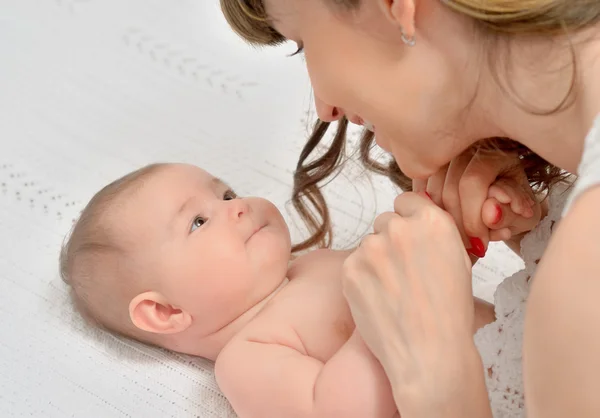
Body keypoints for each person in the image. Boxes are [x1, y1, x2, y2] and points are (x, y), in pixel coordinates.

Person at [220, 0, 600, 417]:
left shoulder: (582, 273)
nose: (325, 108)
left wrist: (439, 380)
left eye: (303, 43)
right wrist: (540, 232)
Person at [60, 162, 537, 417]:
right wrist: (379, 315)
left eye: (226, 194)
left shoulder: (314, 263)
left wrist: (459, 232)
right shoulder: (246, 357)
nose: (238, 206)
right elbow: (337, 411)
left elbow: (431, 285)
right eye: (199, 221)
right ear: (164, 312)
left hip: (534, 349)